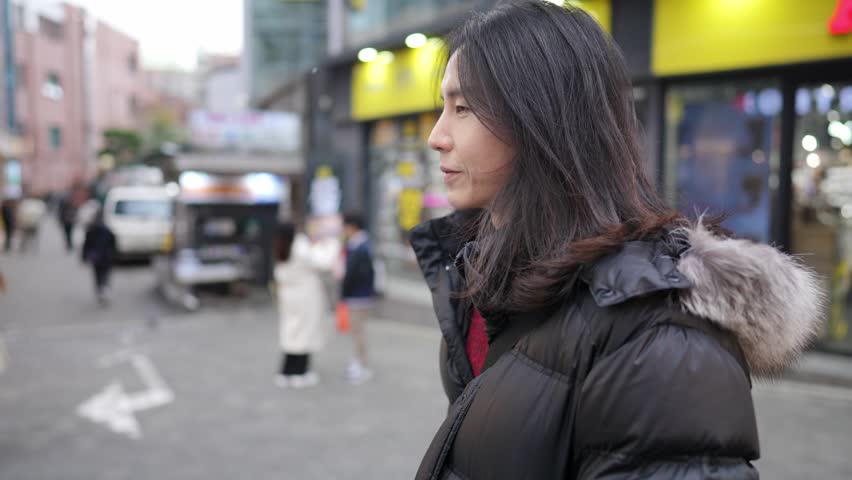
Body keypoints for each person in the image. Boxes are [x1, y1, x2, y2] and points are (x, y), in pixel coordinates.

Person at [409, 2, 825, 479]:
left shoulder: (656, 335)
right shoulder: (485, 281)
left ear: (542, 118)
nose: (437, 136)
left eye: (462, 108)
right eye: (442, 107)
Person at [273, 221, 340, 389]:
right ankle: (299, 371)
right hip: (305, 295)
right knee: (305, 332)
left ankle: (286, 371)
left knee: (291, 331)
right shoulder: (299, 245)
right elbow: (322, 262)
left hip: (288, 295)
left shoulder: (282, 245)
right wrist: (332, 243)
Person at [340, 212, 376, 385]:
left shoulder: (360, 246)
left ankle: (361, 365)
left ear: (352, 226)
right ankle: (358, 362)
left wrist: (343, 293)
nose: (343, 230)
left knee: (358, 332)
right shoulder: (361, 244)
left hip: (358, 296)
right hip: (360, 295)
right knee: (357, 331)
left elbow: (352, 274)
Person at [81, 209, 116, 305]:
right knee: (105, 274)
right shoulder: (108, 230)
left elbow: (86, 244)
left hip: (96, 257)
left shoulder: (91, 230)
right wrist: (114, 254)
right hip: (106, 257)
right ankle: (104, 287)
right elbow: (113, 244)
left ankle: (101, 288)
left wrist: (84, 256)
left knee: (97, 274)